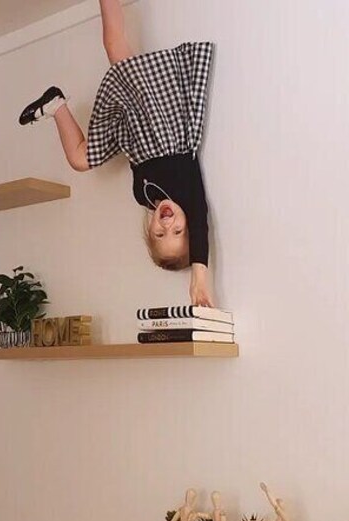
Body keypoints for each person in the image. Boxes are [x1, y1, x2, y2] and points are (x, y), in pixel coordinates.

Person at [18, 0, 215, 306]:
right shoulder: (187, 192)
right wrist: (199, 276)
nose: (166, 226)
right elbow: (201, 223)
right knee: (114, 46)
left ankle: (55, 105)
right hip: (157, 115)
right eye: (178, 231)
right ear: (188, 222)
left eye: (160, 235)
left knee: (80, 160)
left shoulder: (142, 197)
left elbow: (132, 156)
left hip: (131, 131)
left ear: (149, 231)